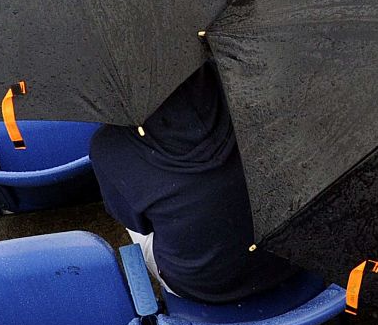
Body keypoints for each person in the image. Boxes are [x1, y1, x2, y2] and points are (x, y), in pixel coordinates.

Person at [89, 63, 312, 304]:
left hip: (200, 287)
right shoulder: (255, 86)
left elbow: (139, 225)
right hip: (297, 255)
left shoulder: (108, 147)